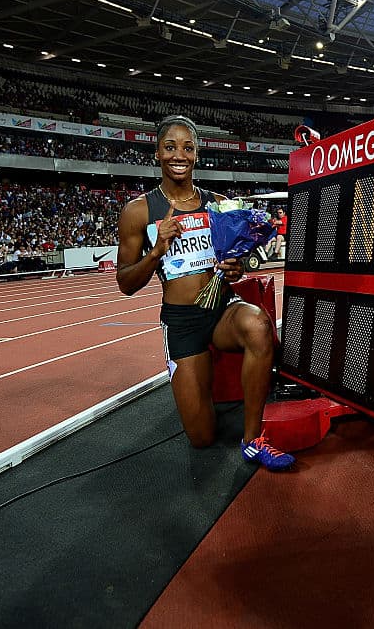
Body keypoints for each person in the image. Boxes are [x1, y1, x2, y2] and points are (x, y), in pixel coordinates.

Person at [116, 115, 294, 470]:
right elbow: (125, 283)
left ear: (196, 154)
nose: (178, 155)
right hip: (182, 323)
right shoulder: (138, 212)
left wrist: (235, 267)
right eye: (170, 147)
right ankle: (201, 389)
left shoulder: (217, 204)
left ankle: (252, 440)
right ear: (157, 153)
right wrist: (156, 251)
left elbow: (232, 261)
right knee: (201, 438)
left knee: (259, 326)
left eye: (187, 147)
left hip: (221, 309)